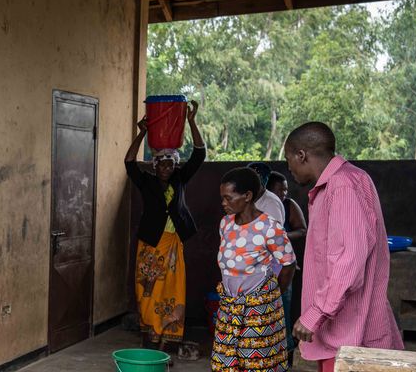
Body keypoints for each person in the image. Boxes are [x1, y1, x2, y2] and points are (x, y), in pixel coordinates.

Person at [282, 122, 402, 372]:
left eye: (288, 159)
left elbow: (348, 261)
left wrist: (316, 313)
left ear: (301, 155)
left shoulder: (343, 185)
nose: (289, 167)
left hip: (349, 334)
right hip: (342, 332)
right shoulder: (343, 182)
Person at [124, 100, 204, 351]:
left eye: (170, 164)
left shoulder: (180, 179)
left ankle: (167, 341)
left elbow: (200, 154)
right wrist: (142, 133)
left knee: (172, 290)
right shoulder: (145, 181)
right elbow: (128, 162)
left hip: (172, 244)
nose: (166, 168)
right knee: (148, 292)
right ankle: (150, 335)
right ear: (155, 165)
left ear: (175, 165)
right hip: (150, 244)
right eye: (162, 164)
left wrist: (191, 121)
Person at [211, 167, 295, 372]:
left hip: (258, 309)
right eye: (222, 198)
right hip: (230, 308)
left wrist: (272, 296)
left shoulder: (269, 227)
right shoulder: (226, 224)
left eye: (229, 198)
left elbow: (289, 263)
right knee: (225, 363)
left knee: (256, 364)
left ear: (248, 196)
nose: (223, 203)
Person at [266, 171, 307, 353]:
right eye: (279, 189)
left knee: (283, 307)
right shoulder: (258, 205)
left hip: (283, 265)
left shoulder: (288, 205)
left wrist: (280, 237)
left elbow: (302, 230)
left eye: (285, 189)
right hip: (262, 268)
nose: (283, 193)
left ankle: (287, 349)